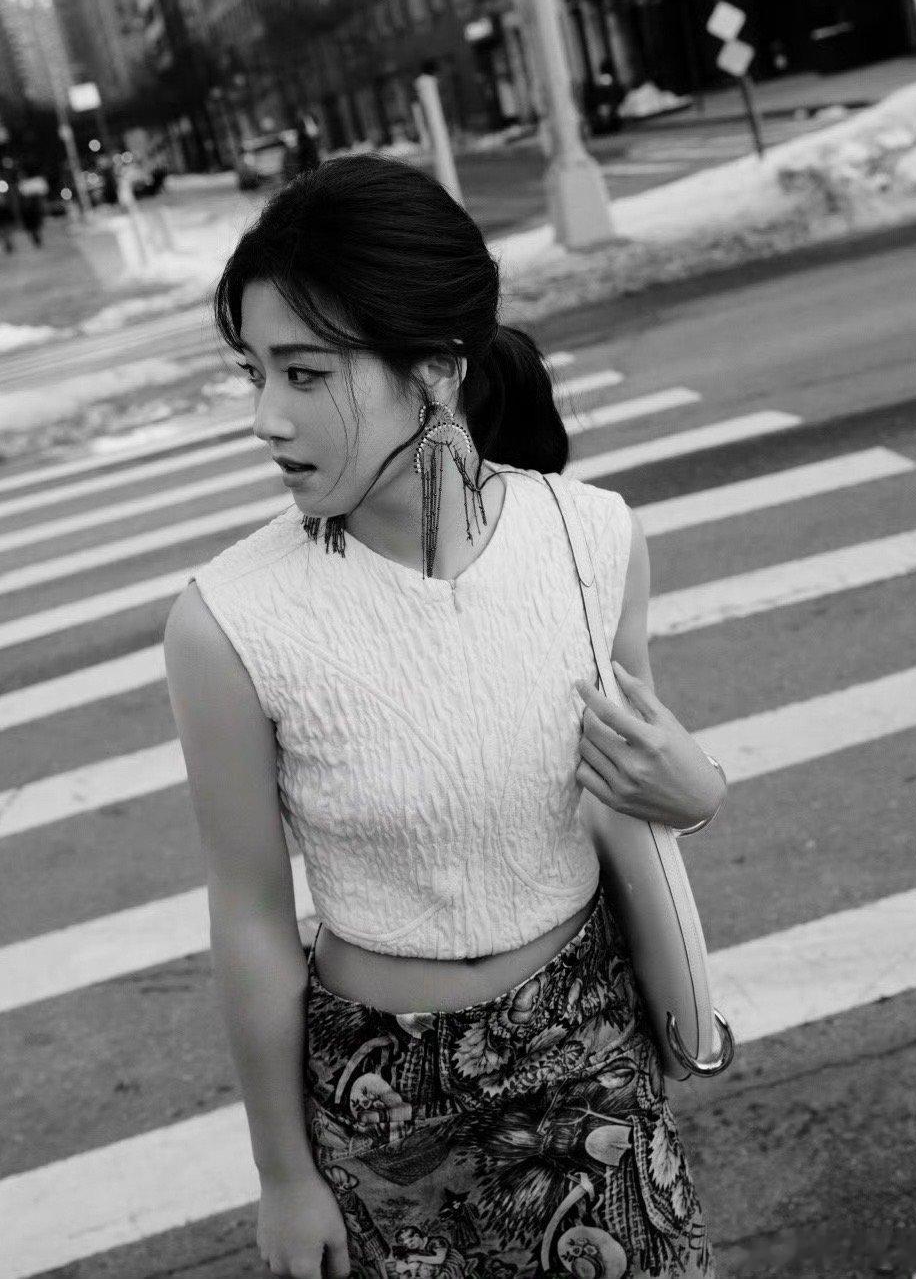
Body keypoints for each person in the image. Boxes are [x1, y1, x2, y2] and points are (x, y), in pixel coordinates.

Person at [163, 154, 726, 1277]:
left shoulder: (591, 538)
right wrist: (284, 1174)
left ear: (435, 370)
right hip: (382, 1106)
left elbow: (638, 787)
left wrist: (700, 792)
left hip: (589, 1056)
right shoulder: (227, 623)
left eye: (305, 373)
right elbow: (252, 919)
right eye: (255, 373)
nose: (266, 418)